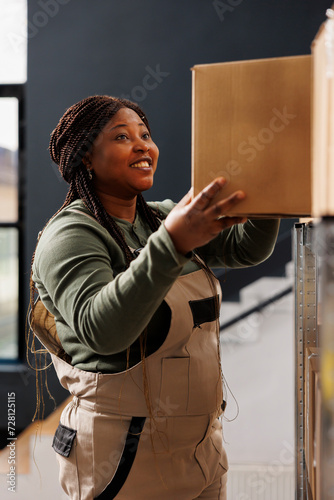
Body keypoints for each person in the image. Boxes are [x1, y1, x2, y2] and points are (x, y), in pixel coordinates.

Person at [29, 95, 280, 500]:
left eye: (145, 134)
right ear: (86, 158)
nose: (143, 145)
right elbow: (103, 330)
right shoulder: (71, 235)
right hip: (124, 456)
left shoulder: (158, 218)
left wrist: (267, 191)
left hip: (201, 450)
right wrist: (173, 242)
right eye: (123, 136)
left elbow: (244, 249)